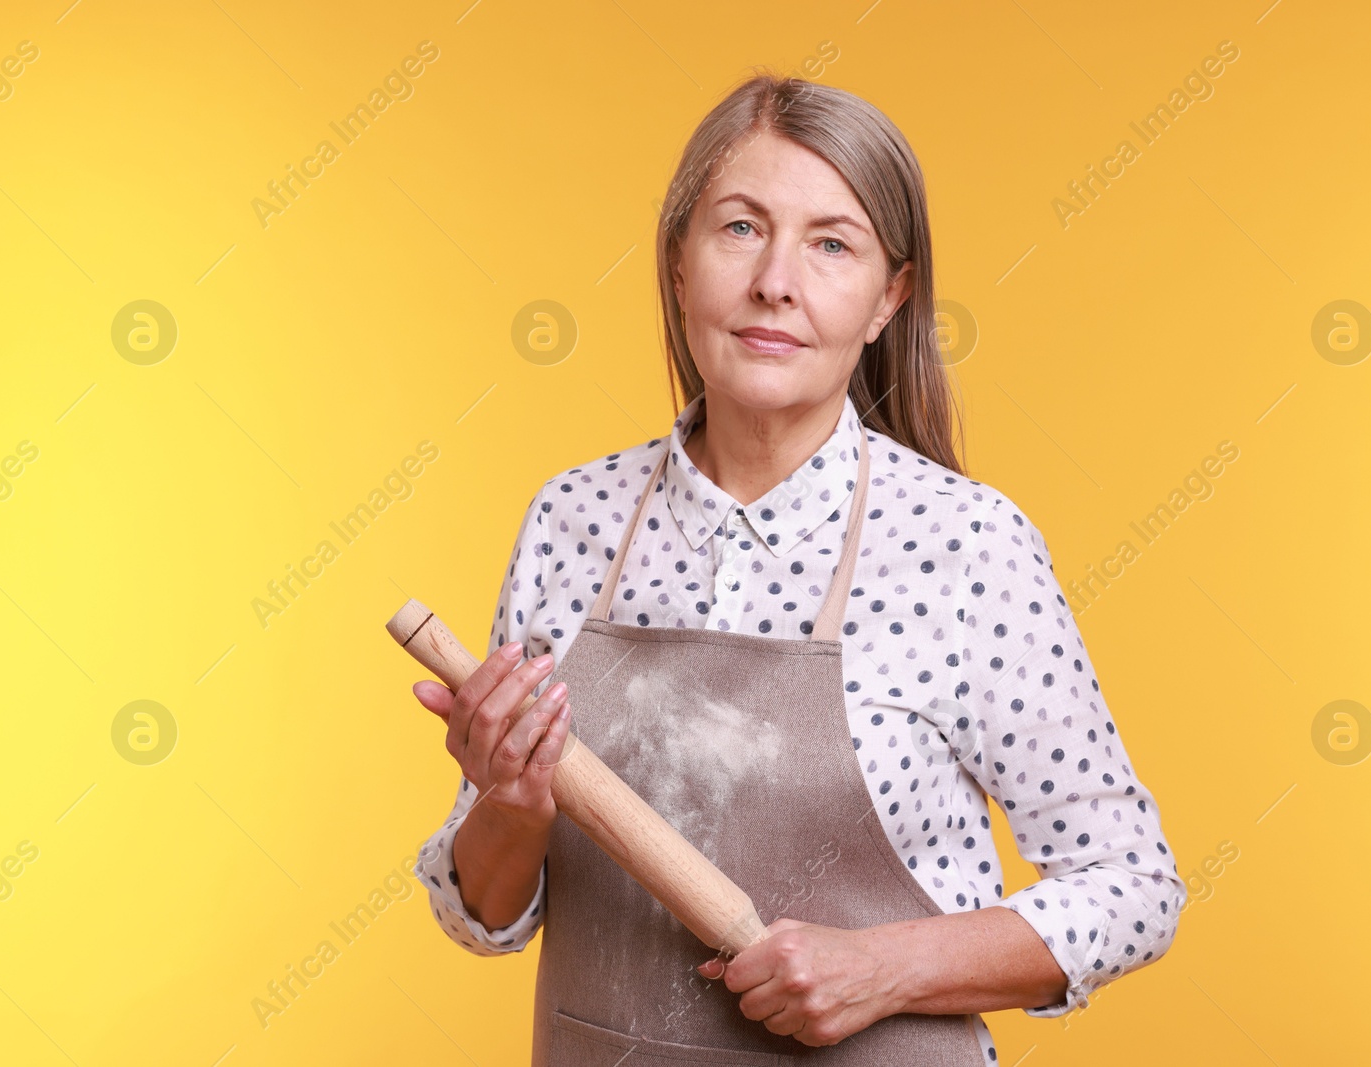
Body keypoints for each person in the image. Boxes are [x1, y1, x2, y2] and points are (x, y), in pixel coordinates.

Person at [410, 71, 1185, 1066]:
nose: (776, 278)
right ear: (680, 264)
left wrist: (885, 967)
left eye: (831, 243)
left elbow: (1131, 884)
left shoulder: (964, 544)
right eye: (740, 228)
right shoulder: (574, 517)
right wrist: (510, 808)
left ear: (885, 298)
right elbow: (483, 914)